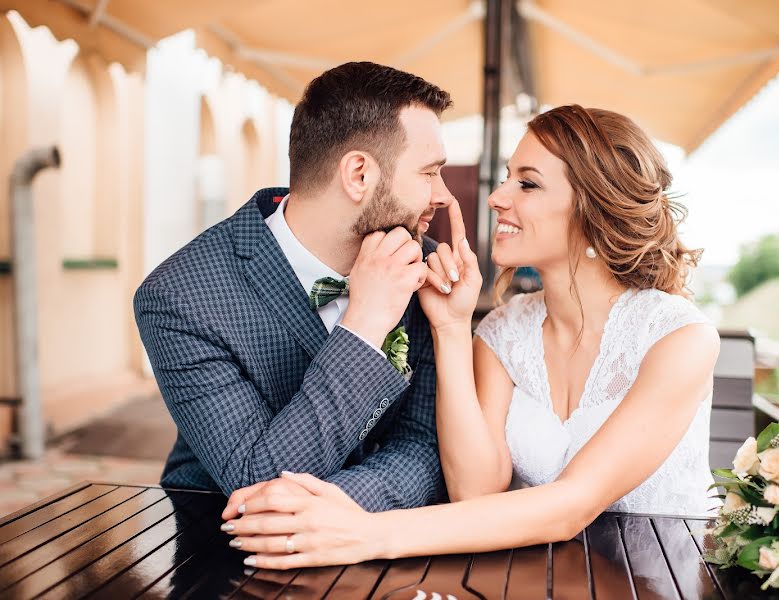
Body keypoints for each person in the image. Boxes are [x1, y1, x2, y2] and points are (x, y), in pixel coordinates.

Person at [220, 105, 721, 569]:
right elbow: (478, 492)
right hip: (529, 576)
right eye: (506, 178)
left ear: (593, 210)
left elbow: (572, 504)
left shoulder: (679, 340)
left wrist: (367, 533)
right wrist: (452, 328)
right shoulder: (504, 331)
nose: (497, 197)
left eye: (527, 184)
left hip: (655, 577)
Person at [134, 61, 457, 511]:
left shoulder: (423, 265)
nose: (443, 195)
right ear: (358, 174)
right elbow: (256, 481)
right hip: (218, 539)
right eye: (428, 173)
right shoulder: (180, 297)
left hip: (381, 534)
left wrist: (342, 507)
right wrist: (364, 326)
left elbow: (426, 444)